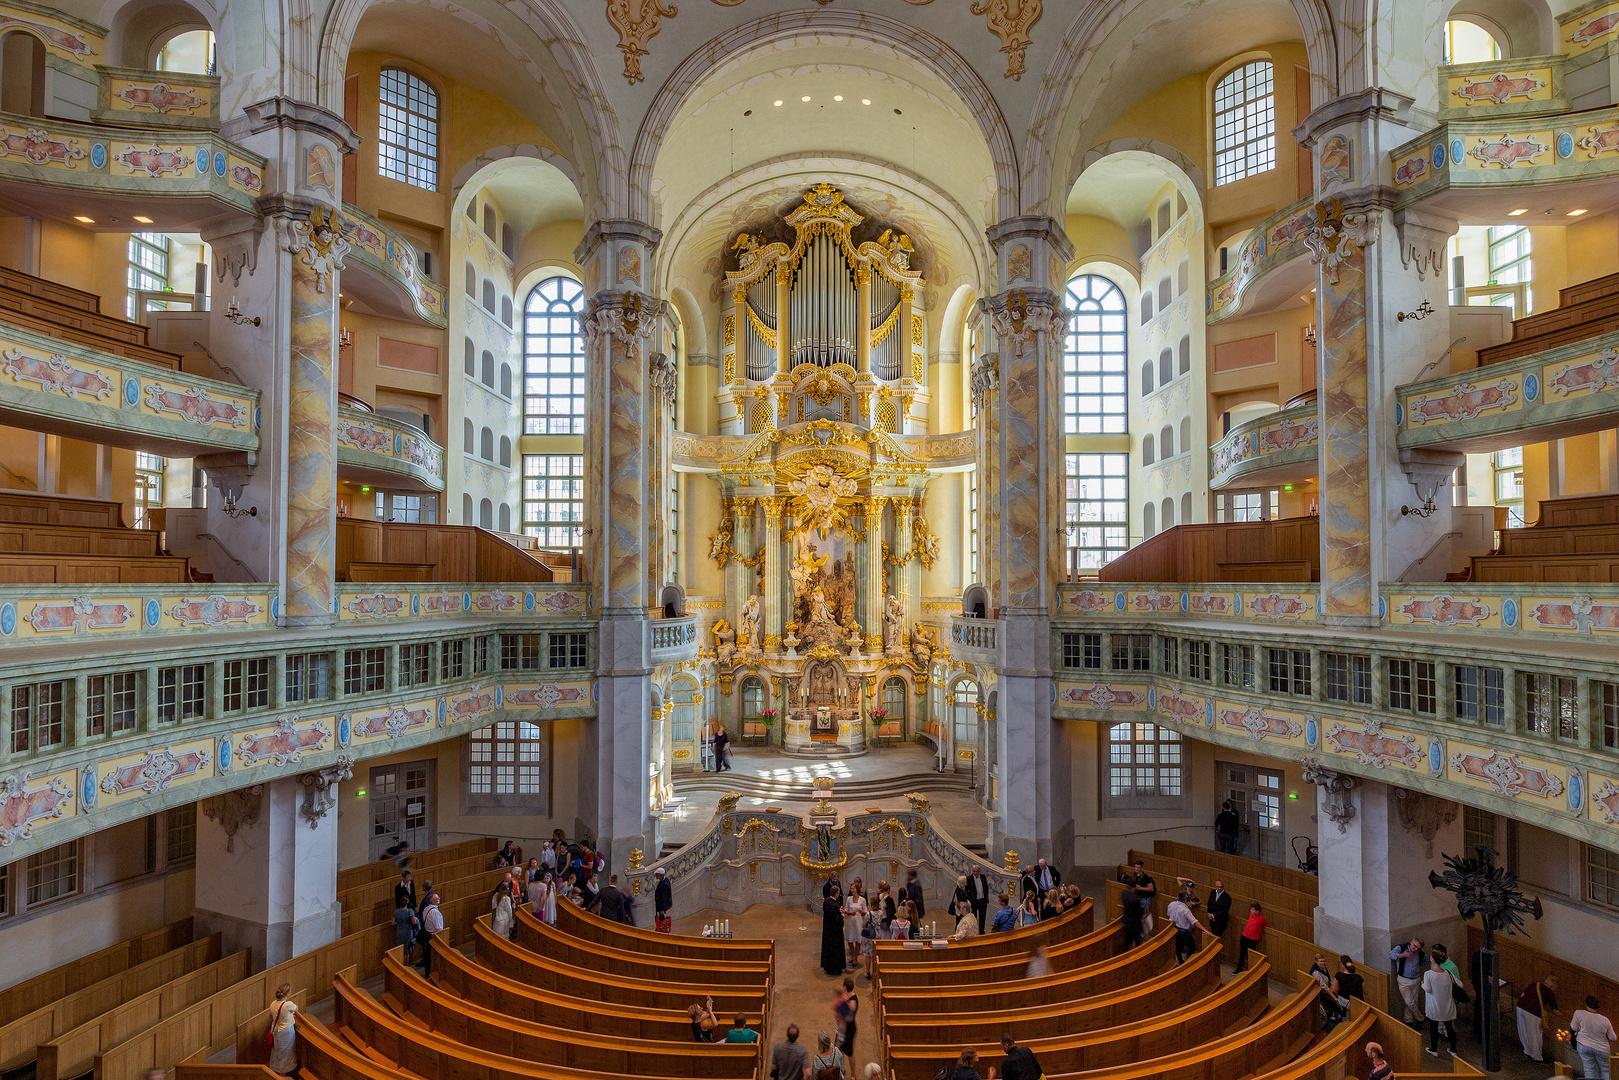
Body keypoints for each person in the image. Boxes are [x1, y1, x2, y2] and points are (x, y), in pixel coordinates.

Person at [1423, 954, 1461, 1057]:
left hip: (1435, 1005)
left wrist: (1422, 984)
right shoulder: (1448, 973)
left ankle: (1434, 1049)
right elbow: (1460, 984)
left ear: (1433, 960)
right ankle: (1453, 1050)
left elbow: (1428, 989)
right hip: (1448, 1005)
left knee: (1434, 1027)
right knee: (1449, 1027)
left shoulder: (1428, 974)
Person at [1517, 974, 1561, 1064]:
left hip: (1520, 1007)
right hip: (1533, 1012)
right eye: (1557, 986)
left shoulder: (1534, 984)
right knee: (1535, 1034)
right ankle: (1537, 1056)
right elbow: (1554, 1009)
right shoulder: (1549, 992)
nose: (1556, 989)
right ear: (1553, 984)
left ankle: (1527, 1051)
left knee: (1524, 1030)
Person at [1571, 995, 1616, 1080]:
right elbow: (1613, 1037)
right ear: (1598, 1007)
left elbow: (1573, 1027)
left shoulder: (1579, 1013)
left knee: (1589, 1068)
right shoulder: (1605, 1020)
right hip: (1602, 1048)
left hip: (1584, 1044)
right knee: (1606, 1069)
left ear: (1586, 1004)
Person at [1389, 938, 1427, 1026]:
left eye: (1418, 948)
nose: (1416, 949)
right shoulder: (1401, 948)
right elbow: (1390, 955)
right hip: (1404, 979)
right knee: (1409, 1002)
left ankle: (1408, 1020)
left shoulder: (1419, 953)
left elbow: (1426, 960)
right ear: (1411, 943)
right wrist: (1403, 955)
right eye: (1415, 946)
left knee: (1414, 1001)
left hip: (1416, 979)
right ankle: (1420, 1018)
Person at [1166, 890, 1209, 964]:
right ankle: (1188, 963)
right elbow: (1194, 922)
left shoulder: (1171, 904)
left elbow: (1168, 915)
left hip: (1174, 928)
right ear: (1185, 900)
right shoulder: (1185, 910)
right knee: (1192, 947)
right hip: (1184, 931)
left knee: (1178, 947)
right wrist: (1205, 930)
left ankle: (1180, 961)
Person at [266, 983, 298, 1075]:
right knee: (286, 1051)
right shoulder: (288, 1005)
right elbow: (296, 1008)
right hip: (286, 1032)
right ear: (287, 994)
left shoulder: (272, 1003)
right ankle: (284, 1073)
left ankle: (275, 1069)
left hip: (275, 1030)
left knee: (277, 1051)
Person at [1234, 903, 1270, 973]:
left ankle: (1250, 969)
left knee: (1250, 954)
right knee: (1242, 952)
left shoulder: (1261, 918)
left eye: (1253, 909)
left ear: (1257, 911)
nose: (1251, 911)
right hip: (1245, 935)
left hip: (1253, 938)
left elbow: (1267, 925)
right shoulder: (1251, 915)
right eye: (1251, 909)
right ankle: (1239, 968)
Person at [821, 882, 846, 976]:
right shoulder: (835, 905)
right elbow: (837, 920)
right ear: (836, 894)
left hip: (828, 930)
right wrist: (842, 916)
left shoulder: (827, 900)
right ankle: (835, 969)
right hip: (835, 932)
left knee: (828, 948)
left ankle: (827, 967)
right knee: (835, 950)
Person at [419, 892, 443, 974]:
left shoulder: (426, 909)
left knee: (428, 957)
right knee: (433, 958)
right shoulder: (435, 912)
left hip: (427, 934)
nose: (439, 898)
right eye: (437, 898)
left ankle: (428, 973)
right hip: (433, 936)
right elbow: (438, 927)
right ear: (432, 901)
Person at [834, 977, 859, 1057]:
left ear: (845, 987)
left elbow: (849, 1018)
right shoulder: (846, 997)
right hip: (844, 1028)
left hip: (848, 1029)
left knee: (849, 1054)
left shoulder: (852, 1001)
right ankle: (841, 1068)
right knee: (839, 1051)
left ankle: (851, 1070)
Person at [392, 898, 419, 963]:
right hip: (407, 931)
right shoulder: (410, 911)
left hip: (399, 931)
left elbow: (392, 923)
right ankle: (405, 966)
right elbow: (414, 922)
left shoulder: (396, 911)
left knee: (399, 948)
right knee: (406, 951)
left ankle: (399, 964)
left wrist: (399, 922)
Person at [1120, 884, 1146, 949]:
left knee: (1128, 939)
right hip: (1135, 923)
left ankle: (1127, 951)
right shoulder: (1135, 900)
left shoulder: (1124, 894)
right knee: (1137, 939)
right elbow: (1138, 913)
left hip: (1127, 921)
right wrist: (1142, 909)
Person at [655, 867, 673, 931]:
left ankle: (663, 928)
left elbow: (664, 897)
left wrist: (662, 909)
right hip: (661, 905)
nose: (656, 876)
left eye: (657, 874)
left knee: (662, 918)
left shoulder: (664, 884)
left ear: (661, 875)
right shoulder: (665, 880)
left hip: (662, 905)